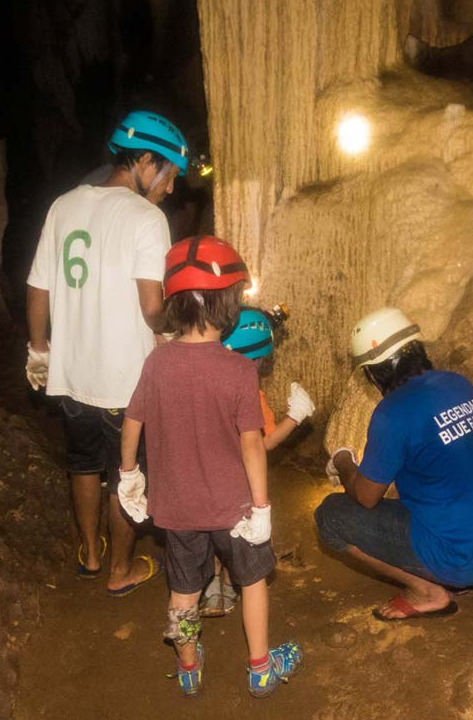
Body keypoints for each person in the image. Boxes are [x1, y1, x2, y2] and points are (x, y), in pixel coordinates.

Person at [116, 237, 303, 698]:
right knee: (253, 579)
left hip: (176, 507)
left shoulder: (157, 361)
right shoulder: (238, 370)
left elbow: (133, 419)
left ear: (175, 304)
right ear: (227, 303)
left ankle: (188, 667)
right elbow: (252, 447)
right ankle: (260, 668)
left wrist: (128, 475)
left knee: (183, 589)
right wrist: (261, 507)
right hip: (233, 509)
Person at [25, 110, 188, 596]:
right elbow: (152, 308)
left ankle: (92, 556)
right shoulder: (146, 218)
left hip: (73, 375)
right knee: (125, 473)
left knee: (82, 463)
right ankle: (121, 569)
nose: (171, 189)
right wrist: (178, 328)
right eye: (169, 175)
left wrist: (38, 349)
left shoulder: (63, 206)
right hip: (125, 381)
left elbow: (37, 288)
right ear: (144, 161)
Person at [316, 307, 473, 621]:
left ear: (373, 373)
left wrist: (343, 461)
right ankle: (449, 571)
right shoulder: (457, 383)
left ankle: (428, 591)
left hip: (465, 556)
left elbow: (365, 497)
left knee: (330, 516)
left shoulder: (392, 413)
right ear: (417, 348)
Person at [200, 307, 316, 617]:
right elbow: (262, 443)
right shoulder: (250, 392)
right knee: (235, 536)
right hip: (238, 482)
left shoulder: (202, 379)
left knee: (210, 532)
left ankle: (212, 586)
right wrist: (295, 417)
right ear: (259, 359)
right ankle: (229, 582)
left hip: (202, 476)